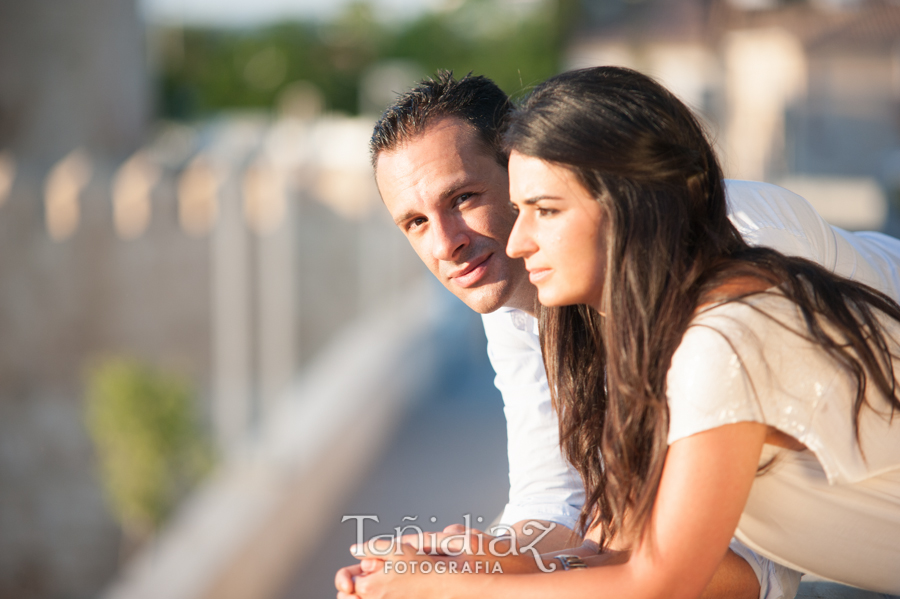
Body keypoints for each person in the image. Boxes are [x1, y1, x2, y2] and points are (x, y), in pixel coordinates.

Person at [336, 70, 900, 599]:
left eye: (465, 199)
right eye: (414, 223)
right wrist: (483, 559)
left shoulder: (732, 296)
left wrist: (463, 587)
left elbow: (682, 569)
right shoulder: (543, 300)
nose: (445, 244)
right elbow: (577, 512)